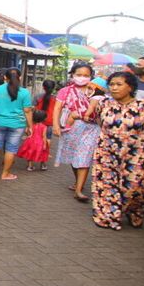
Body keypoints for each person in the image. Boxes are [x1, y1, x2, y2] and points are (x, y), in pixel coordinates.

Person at [87, 71, 144, 230]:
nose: (114, 88)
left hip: (135, 153)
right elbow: (100, 122)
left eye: (119, 84)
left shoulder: (143, 105)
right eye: (111, 85)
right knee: (107, 186)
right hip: (107, 153)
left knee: (134, 186)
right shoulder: (103, 104)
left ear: (130, 87)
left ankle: (134, 212)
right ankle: (106, 217)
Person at [53, 63, 100, 202]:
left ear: (91, 76)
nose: (82, 78)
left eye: (86, 75)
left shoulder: (96, 91)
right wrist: (56, 125)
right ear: (72, 75)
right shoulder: (65, 91)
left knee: (84, 157)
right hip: (71, 127)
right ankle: (77, 182)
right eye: (79, 75)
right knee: (74, 158)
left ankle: (79, 190)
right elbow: (57, 108)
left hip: (91, 128)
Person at [0, 67, 33, 181]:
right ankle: (5, 174)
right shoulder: (24, 92)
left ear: (5, 77)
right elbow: (27, 110)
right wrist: (30, 126)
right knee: (11, 149)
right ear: (20, 77)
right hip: (17, 124)